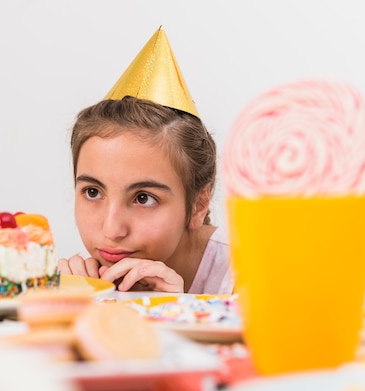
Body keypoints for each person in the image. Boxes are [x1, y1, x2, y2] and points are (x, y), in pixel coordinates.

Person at [58, 27, 233, 294]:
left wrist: (173, 312)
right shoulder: (87, 284)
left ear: (198, 204)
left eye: (143, 198)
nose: (112, 229)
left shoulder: (256, 278)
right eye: (93, 192)